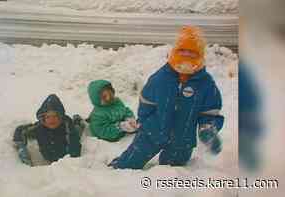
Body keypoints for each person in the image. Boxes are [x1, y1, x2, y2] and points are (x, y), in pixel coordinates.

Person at [109, 26, 224, 169]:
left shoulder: (206, 84)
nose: (186, 55)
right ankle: (116, 169)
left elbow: (210, 111)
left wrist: (208, 128)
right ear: (174, 52)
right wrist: (144, 121)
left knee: (172, 171)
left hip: (182, 139)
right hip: (153, 131)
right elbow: (146, 101)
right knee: (130, 161)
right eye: (182, 50)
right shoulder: (161, 78)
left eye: (192, 53)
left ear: (200, 56)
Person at [13, 94, 84, 166]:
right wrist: (21, 148)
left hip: (64, 159)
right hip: (48, 157)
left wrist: (70, 161)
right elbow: (20, 130)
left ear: (60, 116)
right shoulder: (39, 127)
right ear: (43, 118)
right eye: (48, 117)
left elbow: (75, 147)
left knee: (77, 130)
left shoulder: (67, 125)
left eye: (55, 116)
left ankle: (77, 121)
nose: (51, 120)